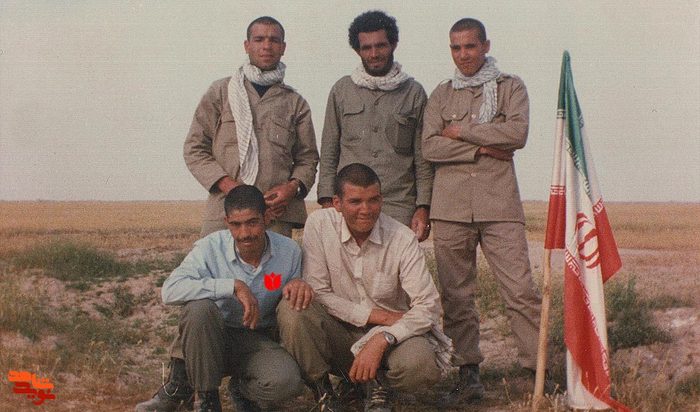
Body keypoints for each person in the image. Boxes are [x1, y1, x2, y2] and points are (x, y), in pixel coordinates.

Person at [421, 18, 543, 405]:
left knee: (521, 291)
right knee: (457, 297)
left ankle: (537, 372)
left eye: (470, 46)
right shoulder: (441, 94)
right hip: (450, 208)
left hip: (499, 205)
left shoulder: (510, 87)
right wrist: (481, 147)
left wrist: (460, 132)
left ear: (485, 46)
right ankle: (467, 374)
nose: (463, 55)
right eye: (456, 48)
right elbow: (430, 146)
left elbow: (517, 134)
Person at [278, 163, 449, 412]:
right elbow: (318, 291)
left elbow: (428, 306)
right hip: (340, 332)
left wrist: (382, 337)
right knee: (293, 308)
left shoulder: (402, 238)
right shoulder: (319, 224)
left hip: (390, 337)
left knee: (420, 366)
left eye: (373, 200)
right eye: (355, 201)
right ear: (337, 203)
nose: (366, 210)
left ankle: (378, 385)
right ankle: (324, 393)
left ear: (381, 199)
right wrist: (377, 316)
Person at [135, 185, 314, 412]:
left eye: (252, 222)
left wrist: (297, 283)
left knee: (286, 383)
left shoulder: (289, 251)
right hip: (210, 336)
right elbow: (170, 290)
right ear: (226, 221)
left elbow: (294, 293)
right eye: (236, 224)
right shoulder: (210, 248)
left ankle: (242, 389)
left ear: (267, 217)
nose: (245, 233)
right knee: (199, 309)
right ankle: (204, 398)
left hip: (257, 340)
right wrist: (232, 286)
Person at [184, 16, 318, 238]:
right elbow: (194, 149)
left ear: (283, 48)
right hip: (225, 211)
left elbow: (308, 158)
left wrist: (291, 188)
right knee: (216, 262)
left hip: (275, 214)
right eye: (259, 39)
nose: (266, 46)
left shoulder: (295, 103)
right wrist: (230, 187)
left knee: (275, 263)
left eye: (274, 40)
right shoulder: (221, 92)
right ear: (247, 45)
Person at [316, 11, 433, 242]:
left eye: (381, 46)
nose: (374, 54)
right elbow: (329, 151)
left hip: (398, 204)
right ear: (357, 50)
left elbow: (423, 158)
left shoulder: (414, 93)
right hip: (350, 206)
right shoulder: (341, 91)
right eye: (366, 47)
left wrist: (423, 207)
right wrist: (328, 201)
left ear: (394, 44)